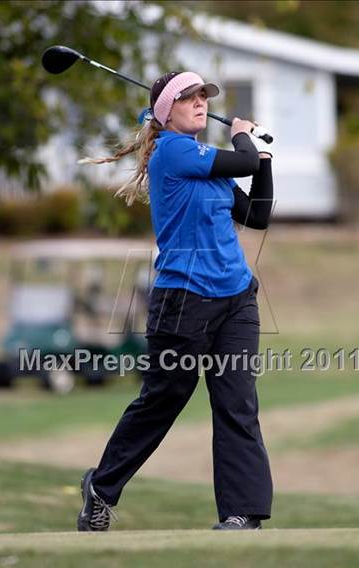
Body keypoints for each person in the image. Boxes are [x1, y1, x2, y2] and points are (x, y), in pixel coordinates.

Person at [77, 70, 274, 531]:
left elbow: (258, 215)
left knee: (237, 403)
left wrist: (263, 157)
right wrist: (244, 137)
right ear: (166, 113)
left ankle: (241, 514)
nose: (201, 103)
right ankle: (102, 488)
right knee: (163, 401)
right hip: (182, 302)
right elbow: (238, 162)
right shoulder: (174, 150)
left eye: (204, 96)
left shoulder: (209, 163)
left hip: (235, 300)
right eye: (189, 98)